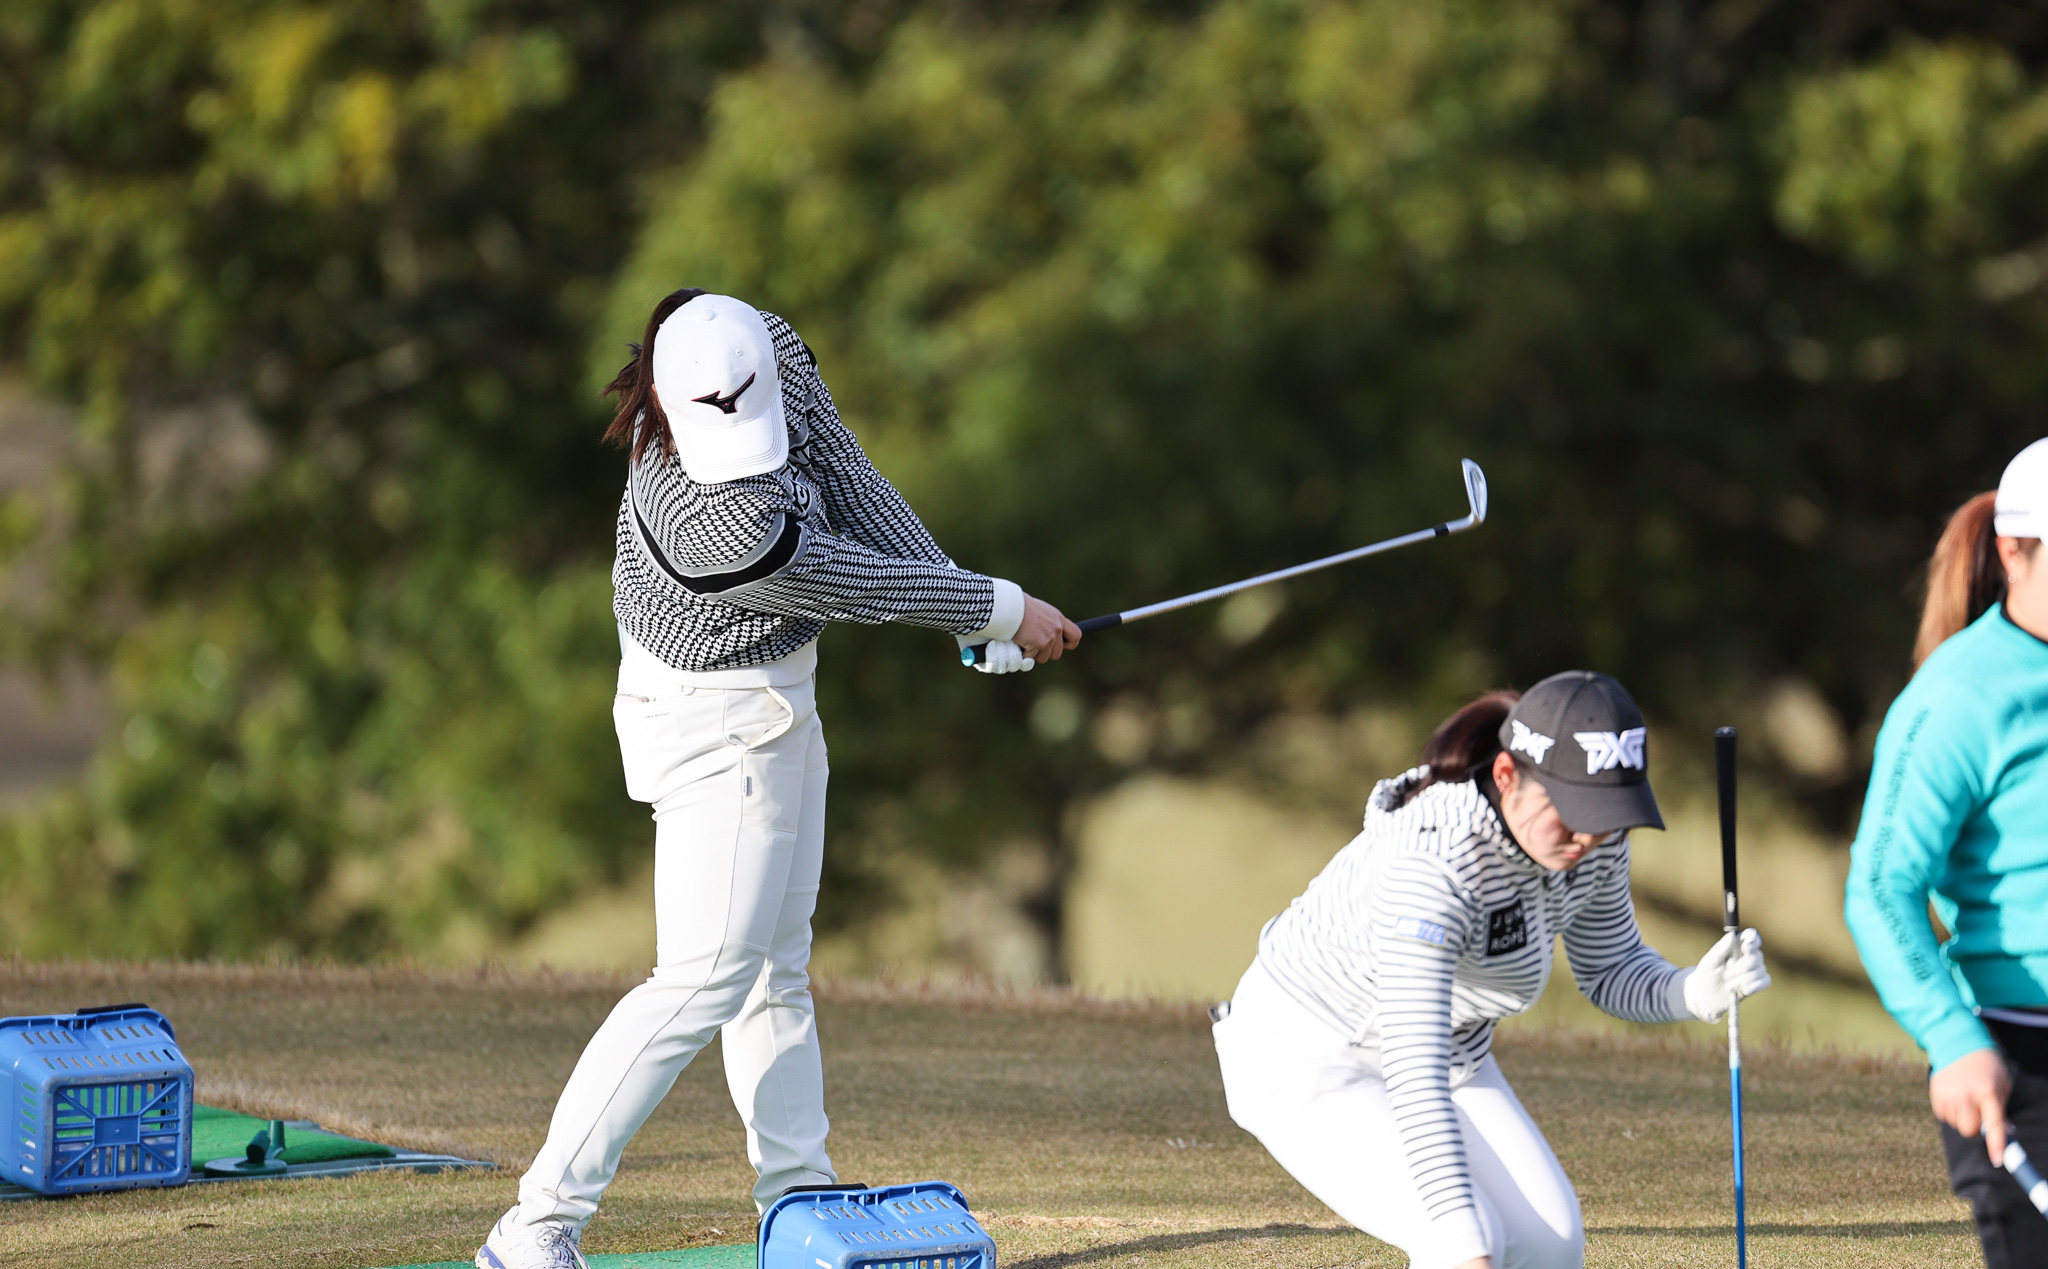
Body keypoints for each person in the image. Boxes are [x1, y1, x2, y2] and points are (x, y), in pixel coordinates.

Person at [476, 290, 1080, 1269]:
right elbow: (852, 579)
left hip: (779, 695)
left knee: (771, 969)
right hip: (714, 727)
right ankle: (535, 1229)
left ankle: (797, 1207)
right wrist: (999, 608)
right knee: (702, 980)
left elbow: (845, 471)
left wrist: (973, 616)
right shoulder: (718, 536)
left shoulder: (762, 346)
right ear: (666, 404)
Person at [1212, 671, 1773, 1269]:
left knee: (1548, 1247)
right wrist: (1463, 1245)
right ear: (1506, 776)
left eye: (1608, 810)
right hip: (1308, 1056)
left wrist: (1692, 990)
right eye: (1575, 809)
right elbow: (1413, 1067)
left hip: (1452, 1055)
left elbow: (1611, 969)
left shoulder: (1595, 837)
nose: (1590, 835)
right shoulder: (1434, 865)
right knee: (1463, 1237)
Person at [1845, 438, 2048, 1269]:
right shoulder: (1959, 696)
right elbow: (1882, 887)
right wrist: (1953, 1039)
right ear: (2012, 548)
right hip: (2020, 1064)